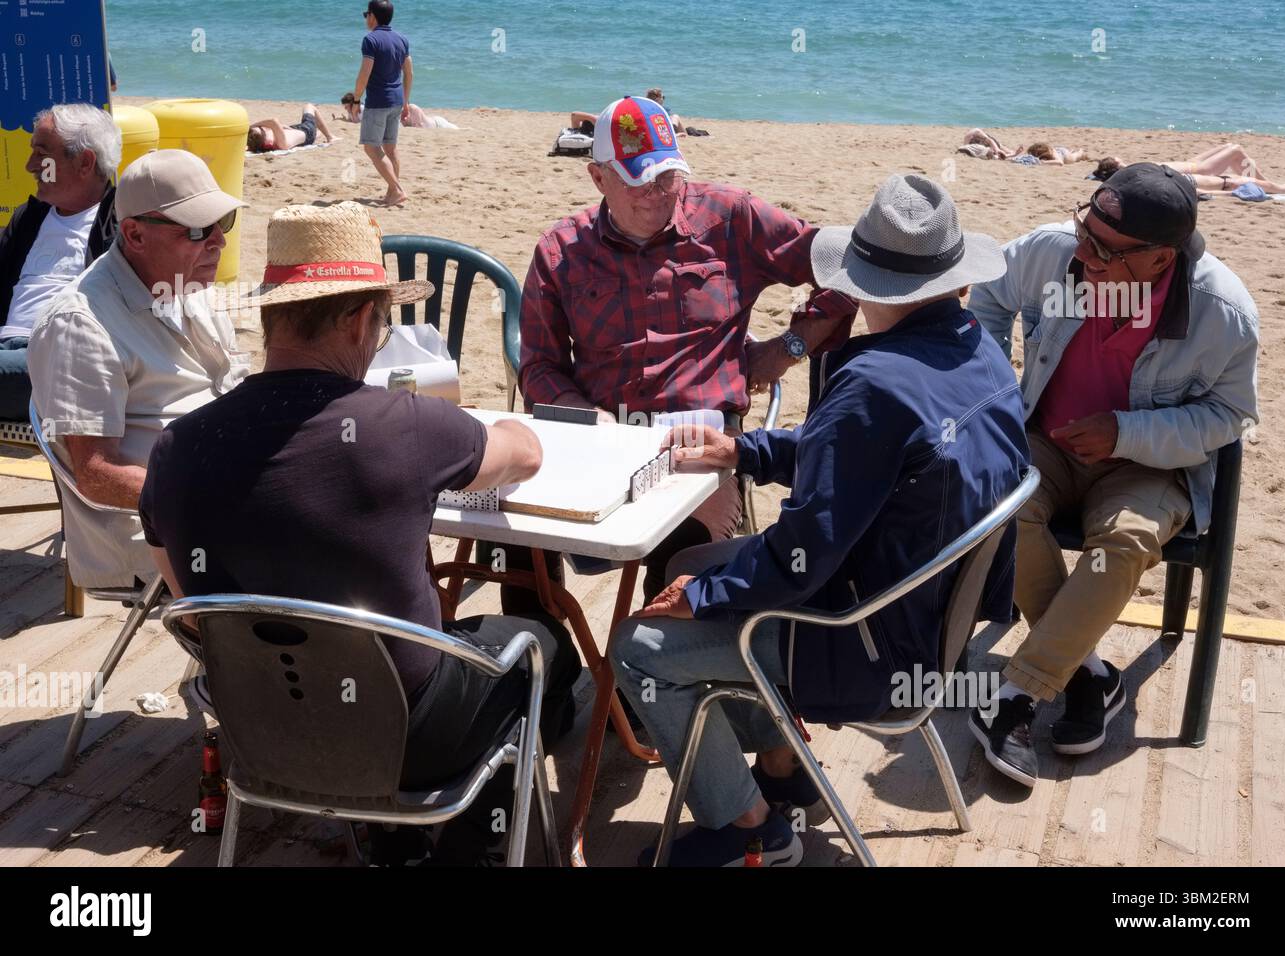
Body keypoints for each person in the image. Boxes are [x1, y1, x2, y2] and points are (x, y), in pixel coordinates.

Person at [138, 201, 580, 865]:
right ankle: (471, 844)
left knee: (424, 656)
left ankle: (396, 842)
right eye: (380, 321)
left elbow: (194, 606)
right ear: (356, 319)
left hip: (258, 730)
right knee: (542, 649)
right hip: (409, 735)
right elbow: (524, 452)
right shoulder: (404, 426)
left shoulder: (177, 447)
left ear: (272, 316)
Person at [608, 174, 1029, 866]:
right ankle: (780, 768)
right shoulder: (978, 352)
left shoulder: (872, 385)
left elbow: (806, 551)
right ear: (955, 281)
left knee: (639, 645)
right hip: (930, 628)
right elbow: (875, 458)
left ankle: (748, 828)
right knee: (689, 569)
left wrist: (707, 596)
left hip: (862, 646)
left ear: (865, 287)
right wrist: (748, 451)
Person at [967, 163, 1259, 786]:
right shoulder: (1054, 253)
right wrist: (992, 388)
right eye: (1084, 228)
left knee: (1122, 543)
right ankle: (1088, 676)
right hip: (1046, 440)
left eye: (1103, 248)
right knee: (995, 506)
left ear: (1160, 258)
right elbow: (988, 292)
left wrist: (1125, 431)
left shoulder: (1223, 310)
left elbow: (1229, 416)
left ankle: (1017, 696)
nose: (1082, 251)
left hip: (1146, 466)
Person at [513, 94, 858, 611]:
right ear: (597, 177)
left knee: (675, 578)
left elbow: (849, 267)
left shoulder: (729, 217)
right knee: (513, 535)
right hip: (605, 442)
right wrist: (589, 416)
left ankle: (639, 683)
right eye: (635, 180)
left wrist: (788, 347)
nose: (654, 194)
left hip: (707, 446)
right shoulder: (562, 250)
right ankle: (547, 672)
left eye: (666, 177)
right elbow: (538, 365)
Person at [26, 150, 248, 588]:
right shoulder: (80, 324)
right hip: (157, 531)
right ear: (135, 234)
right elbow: (97, 473)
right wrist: (206, 499)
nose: (218, 242)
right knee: (322, 553)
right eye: (199, 229)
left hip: (223, 499)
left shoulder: (187, 286)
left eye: (223, 223)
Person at [0, 105, 121, 421]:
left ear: (84, 162)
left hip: (54, 359)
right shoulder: (30, 218)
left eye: (42, 155)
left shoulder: (120, 225)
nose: (30, 166)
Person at [353, 0, 412, 206]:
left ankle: (396, 190)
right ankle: (391, 194)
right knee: (391, 149)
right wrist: (406, 101)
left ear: (373, 16)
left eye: (366, 14)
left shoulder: (371, 40)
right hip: (396, 100)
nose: (365, 19)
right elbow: (409, 72)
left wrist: (356, 98)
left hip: (378, 101)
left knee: (371, 148)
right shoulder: (402, 39)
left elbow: (364, 73)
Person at [1090, 146, 1285, 193]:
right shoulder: (1134, 171)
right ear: (1117, 167)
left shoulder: (1135, 169)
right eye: (1120, 161)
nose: (1124, 160)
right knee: (1236, 150)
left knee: (1229, 146)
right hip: (1201, 170)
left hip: (1192, 163)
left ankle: (1273, 185)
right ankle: (1273, 185)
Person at [335, 93, 458, 130]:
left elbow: (420, 126)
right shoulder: (351, 112)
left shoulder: (413, 108)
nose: (346, 109)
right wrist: (341, 119)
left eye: (346, 106)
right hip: (434, 123)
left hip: (437, 123)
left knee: (456, 129)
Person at [246, 103, 335, 153]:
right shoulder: (281, 144)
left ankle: (319, 131)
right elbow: (273, 121)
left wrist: (280, 127)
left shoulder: (258, 144)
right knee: (309, 106)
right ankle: (330, 137)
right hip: (307, 131)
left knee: (316, 131)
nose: (263, 128)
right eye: (261, 128)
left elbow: (273, 124)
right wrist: (251, 126)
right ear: (264, 136)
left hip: (295, 131)